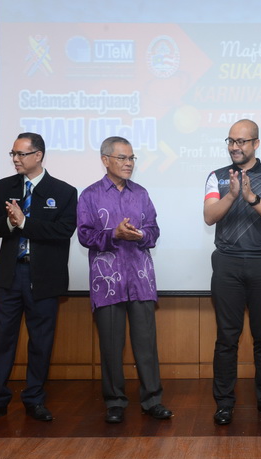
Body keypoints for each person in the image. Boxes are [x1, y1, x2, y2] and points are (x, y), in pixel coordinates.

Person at [0, 132, 77, 424]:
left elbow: (63, 231)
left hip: (44, 278)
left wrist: (25, 222)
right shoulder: (4, 186)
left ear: (38, 155)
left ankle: (34, 400)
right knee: (1, 340)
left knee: (41, 343)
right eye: (13, 154)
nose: (15, 159)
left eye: (21, 154)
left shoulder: (64, 191)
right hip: (10, 275)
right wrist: (10, 223)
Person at [77, 136, 172, 424]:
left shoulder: (141, 194)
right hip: (107, 283)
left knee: (146, 345)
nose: (129, 163)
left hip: (140, 280)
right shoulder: (90, 195)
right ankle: (115, 402)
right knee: (110, 346)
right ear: (105, 160)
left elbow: (154, 230)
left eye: (131, 158)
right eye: (122, 158)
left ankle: (152, 400)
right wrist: (114, 234)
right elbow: (84, 235)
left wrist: (141, 234)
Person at [203, 119, 261, 425]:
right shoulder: (217, 177)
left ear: (256, 144)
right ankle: (224, 404)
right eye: (231, 141)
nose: (234, 147)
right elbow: (209, 216)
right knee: (227, 337)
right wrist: (231, 194)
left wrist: (251, 197)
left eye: (241, 141)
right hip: (227, 263)